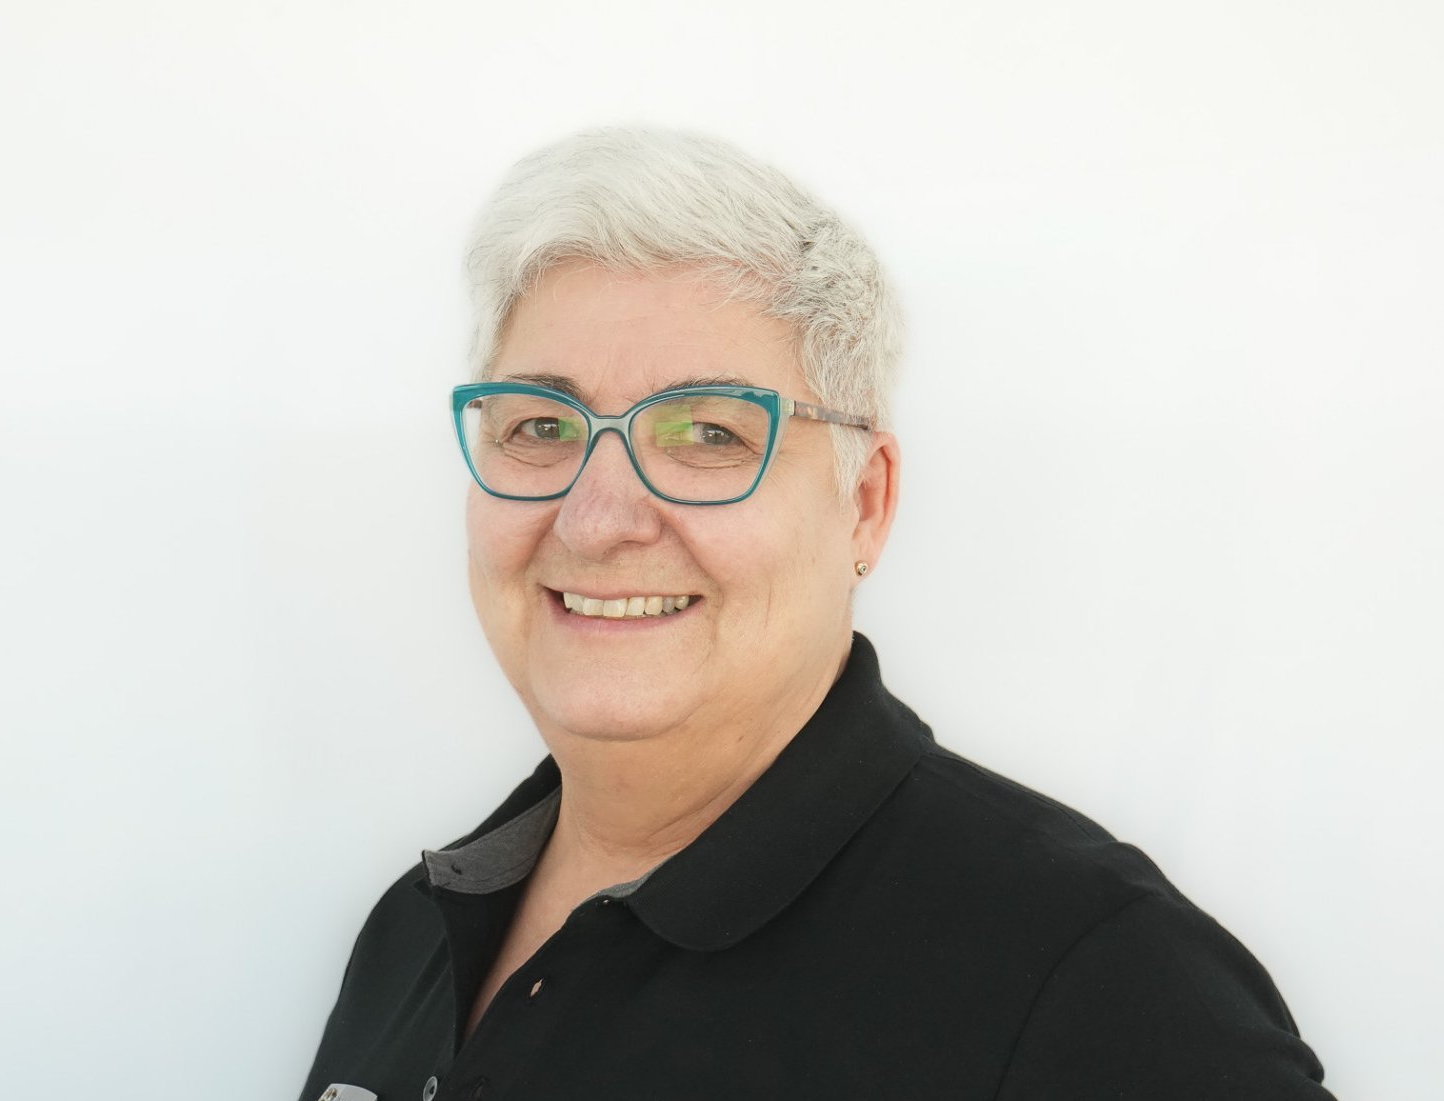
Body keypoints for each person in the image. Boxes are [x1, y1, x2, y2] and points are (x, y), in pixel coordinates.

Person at [297, 128, 1334, 1101]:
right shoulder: (416, 930)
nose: (598, 517)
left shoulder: (1099, 983)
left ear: (863, 504)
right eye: (539, 426)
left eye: (707, 433)